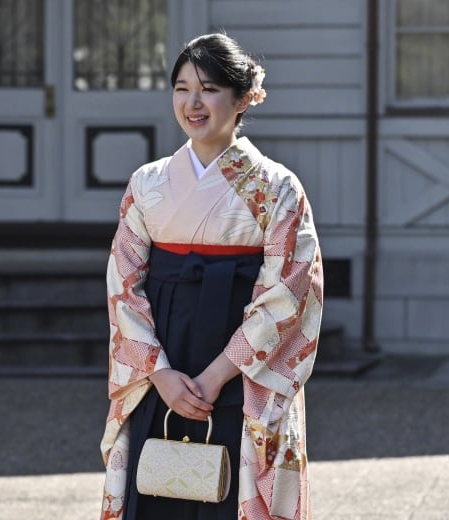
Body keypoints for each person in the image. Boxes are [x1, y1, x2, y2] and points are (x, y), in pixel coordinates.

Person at [99, 33, 323, 520]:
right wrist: (160, 373)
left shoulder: (278, 187)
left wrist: (216, 376)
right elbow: (124, 285)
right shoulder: (148, 183)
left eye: (209, 89)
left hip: (241, 365)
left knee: (230, 495)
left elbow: (289, 292)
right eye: (182, 88)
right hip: (163, 355)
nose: (192, 103)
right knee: (156, 487)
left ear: (244, 99)